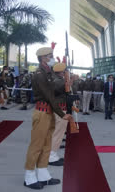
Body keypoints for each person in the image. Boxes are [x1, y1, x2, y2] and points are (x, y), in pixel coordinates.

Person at [24, 47, 73, 190]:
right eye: (50, 56)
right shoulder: (40, 74)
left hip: (49, 112)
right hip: (42, 112)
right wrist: (62, 114)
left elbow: (55, 91)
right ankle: (29, 176)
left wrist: (67, 84)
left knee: (46, 145)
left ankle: (43, 174)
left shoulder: (48, 73)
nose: (53, 57)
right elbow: (49, 96)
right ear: (43, 58)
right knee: (36, 146)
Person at [48, 62, 68, 167]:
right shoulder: (57, 80)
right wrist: (69, 81)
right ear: (61, 71)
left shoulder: (56, 79)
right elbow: (60, 88)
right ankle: (51, 156)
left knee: (57, 131)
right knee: (58, 132)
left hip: (60, 107)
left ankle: (52, 153)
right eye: (64, 71)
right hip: (60, 108)